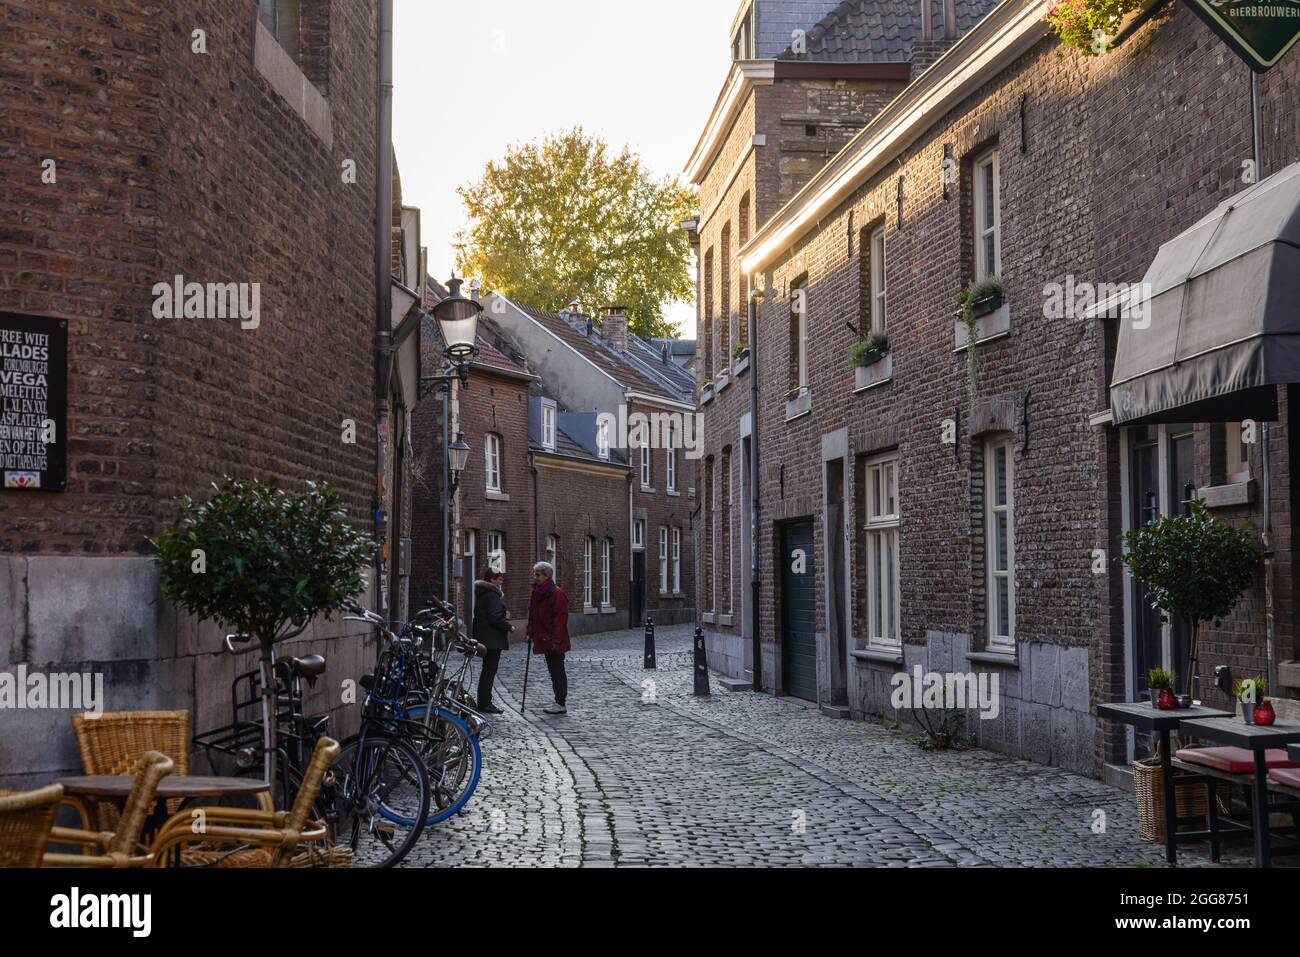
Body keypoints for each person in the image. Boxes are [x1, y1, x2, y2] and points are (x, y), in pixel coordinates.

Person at [527, 561, 570, 714]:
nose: (535, 577)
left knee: (557, 671)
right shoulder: (537, 593)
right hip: (545, 638)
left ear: (546, 576)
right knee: (553, 671)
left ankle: (560, 702)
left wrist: (556, 641)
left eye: (538, 575)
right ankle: (558, 701)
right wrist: (529, 632)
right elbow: (533, 615)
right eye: (535, 574)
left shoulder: (557, 594)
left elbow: (560, 620)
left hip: (554, 641)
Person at [471, 568, 511, 715]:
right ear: (491, 580)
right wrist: (508, 626)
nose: (501, 582)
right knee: (489, 671)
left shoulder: (482, 595)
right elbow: (494, 618)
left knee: (486, 671)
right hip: (492, 639)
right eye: (499, 579)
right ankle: (485, 703)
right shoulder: (493, 596)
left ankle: (484, 701)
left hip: (484, 638)